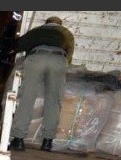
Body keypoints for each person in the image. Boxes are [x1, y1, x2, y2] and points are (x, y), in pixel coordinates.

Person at [7, 16, 75, 152]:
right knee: (54, 101)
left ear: (46, 23)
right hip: (58, 60)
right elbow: (69, 55)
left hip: (36, 58)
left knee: (27, 98)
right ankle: (47, 142)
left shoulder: (37, 30)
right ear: (59, 24)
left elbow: (19, 45)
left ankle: (19, 139)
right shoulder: (66, 33)